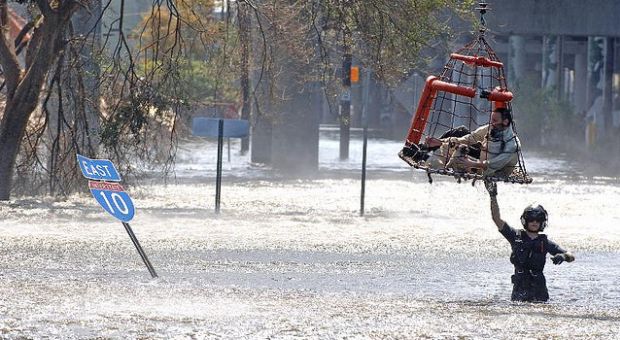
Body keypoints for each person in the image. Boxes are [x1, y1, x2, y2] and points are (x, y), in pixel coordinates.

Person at [485, 181, 575, 302]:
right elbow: (496, 219)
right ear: (525, 220)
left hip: (539, 289)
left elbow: (571, 255)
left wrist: (563, 256)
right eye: (531, 219)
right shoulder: (515, 236)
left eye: (538, 220)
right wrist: (493, 196)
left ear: (542, 223)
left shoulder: (545, 242)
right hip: (520, 288)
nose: (534, 222)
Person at [405, 108, 519, 177]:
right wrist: (441, 141)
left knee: (459, 152)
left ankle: (424, 157)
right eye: (491, 120)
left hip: (492, 169)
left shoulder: (512, 145)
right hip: (483, 155)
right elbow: (471, 137)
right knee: (460, 132)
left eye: (495, 121)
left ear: (505, 122)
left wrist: (472, 163)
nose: (491, 124)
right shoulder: (491, 129)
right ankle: (426, 149)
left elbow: (494, 164)